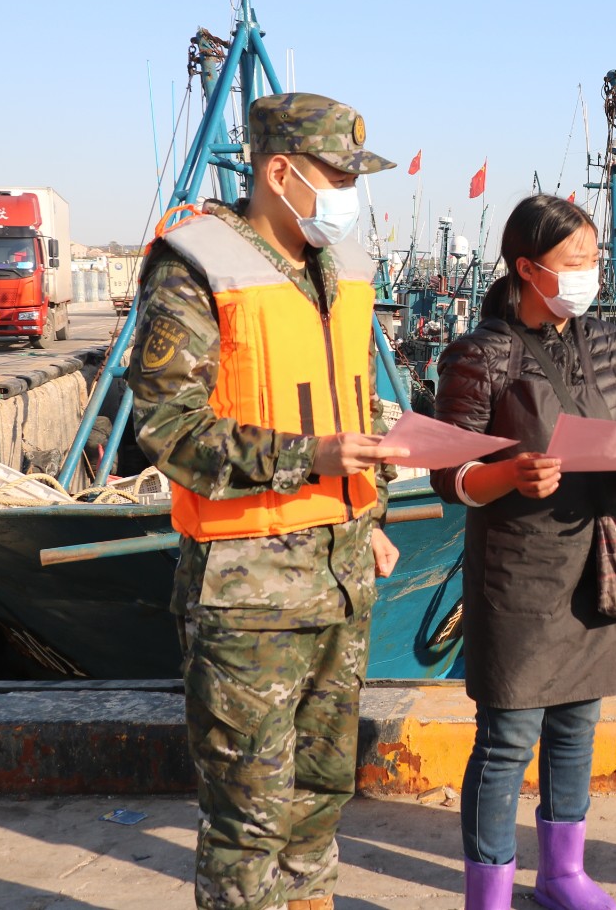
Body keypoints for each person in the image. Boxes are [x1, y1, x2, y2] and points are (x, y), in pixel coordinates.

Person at [127, 92, 406, 910]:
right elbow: (168, 427)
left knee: (321, 792)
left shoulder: (343, 267)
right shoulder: (195, 264)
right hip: (246, 588)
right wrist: (306, 457)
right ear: (279, 172)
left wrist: (373, 508)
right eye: (338, 174)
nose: (350, 192)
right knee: (248, 813)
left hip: (343, 569)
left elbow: (353, 404)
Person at [430, 193, 616, 910]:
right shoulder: (480, 353)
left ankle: (564, 873)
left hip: (594, 560)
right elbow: (450, 474)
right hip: (516, 572)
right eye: (575, 261)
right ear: (528, 268)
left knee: (578, 724)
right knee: (507, 738)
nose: (590, 273)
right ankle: (488, 892)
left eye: (594, 259)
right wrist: (510, 473)